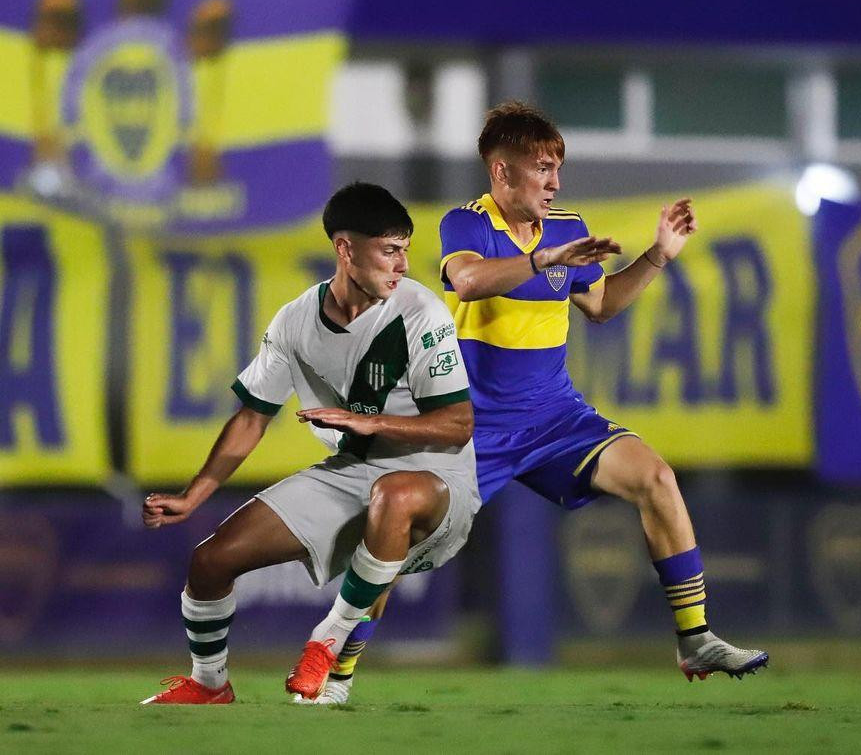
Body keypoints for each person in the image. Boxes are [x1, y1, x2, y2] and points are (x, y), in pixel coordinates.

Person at [307, 102, 767, 704]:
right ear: (501, 173)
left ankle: (695, 637)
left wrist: (656, 256)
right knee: (394, 547)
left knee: (655, 476)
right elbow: (468, 281)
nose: (555, 181)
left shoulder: (569, 228)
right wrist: (542, 260)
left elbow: (601, 306)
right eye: (542, 168)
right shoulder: (466, 223)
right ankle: (333, 677)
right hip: (472, 428)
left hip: (555, 419)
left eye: (557, 168)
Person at [140, 182, 481, 704]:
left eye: (405, 250)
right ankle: (210, 685)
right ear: (346, 249)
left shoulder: (420, 312)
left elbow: (458, 424)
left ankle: (328, 643)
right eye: (390, 250)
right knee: (210, 561)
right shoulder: (295, 321)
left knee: (393, 496)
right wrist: (194, 495)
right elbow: (252, 417)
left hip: (439, 477)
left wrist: (372, 424)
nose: (403, 265)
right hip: (352, 472)